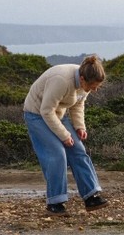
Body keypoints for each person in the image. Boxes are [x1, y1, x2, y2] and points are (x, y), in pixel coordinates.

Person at [23, 55, 110, 215]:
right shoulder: (61, 80)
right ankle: (55, 202)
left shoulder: (86, 83)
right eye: (92, 86)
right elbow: (46, 111)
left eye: (97, 87)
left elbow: (78, 103)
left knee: (78, 150)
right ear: (82, 79)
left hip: (58, 114)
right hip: (37, 114)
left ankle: (91, 196)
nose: (94, 90)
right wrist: (64, 135)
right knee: (57, 154)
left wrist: (79, 127)